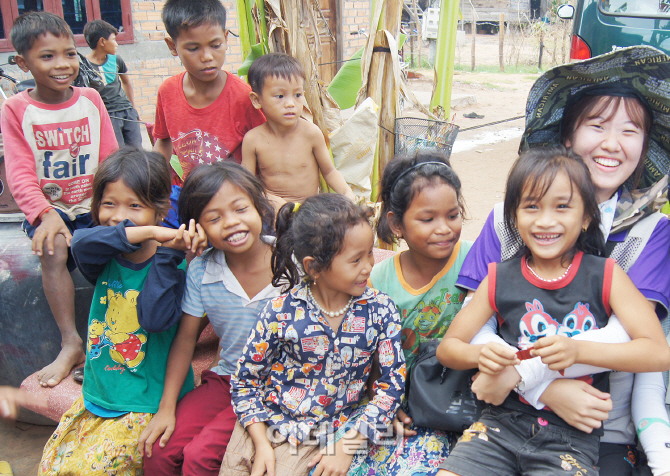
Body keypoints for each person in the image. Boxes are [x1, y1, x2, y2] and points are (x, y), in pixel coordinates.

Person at [455, 45, 670, 475]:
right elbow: (470, 323)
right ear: (568, 136)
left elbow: (625, 337)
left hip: (599, 425)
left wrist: (525, 378)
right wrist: (545, 390)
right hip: (504, 416)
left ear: (645, 145)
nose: (612, 143)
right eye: (597, 125)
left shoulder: (652, 232)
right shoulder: (506, 221)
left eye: (630, 131)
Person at [37, 147, 206, 475]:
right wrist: (154, 231)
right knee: (52, 468)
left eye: (134, 206)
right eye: (109, 203)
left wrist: (167, 254)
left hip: (145, 401)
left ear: (160, 210)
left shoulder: (172, 267)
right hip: (100, 395)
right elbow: (82, 243)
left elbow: (154, 319)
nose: (118, 216)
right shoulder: (102, 255)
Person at [220, 194, 406, 476]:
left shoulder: (381, 311)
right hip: (262, 425)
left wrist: (347, 446)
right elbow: (244, 383)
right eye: (355, 260)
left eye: (369, 253)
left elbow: (391, 385)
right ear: (313, 267)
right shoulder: (279, 312)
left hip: (324, 434)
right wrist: (261, 443)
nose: (369, 266)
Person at [329, 151, 472, 476]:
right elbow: (368, 353)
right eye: (427, 219)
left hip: (446, 400)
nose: (444, 228)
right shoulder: (379, 279)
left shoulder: (472, 262)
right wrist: (381, 405)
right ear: (396, 224)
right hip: (390, 397)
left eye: (452, 215)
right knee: (336, 459)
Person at [138, 162, 281, 475]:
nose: (230, 223)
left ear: (259, 207)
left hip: (277, 385)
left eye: (240, 209)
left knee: (200, 458)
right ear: (197, 227)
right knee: (158, 452)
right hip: (226, 379)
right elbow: (186, 340)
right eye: (214, 218)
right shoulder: (202, 271)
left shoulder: (291, 262)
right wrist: (166, 408)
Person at [2, 12, 118, 388]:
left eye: (69, 54)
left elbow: (110, 157)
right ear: (23, 62)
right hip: (52, 210)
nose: (63, 64)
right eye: (47, 56)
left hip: (96, 203)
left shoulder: (90, 99)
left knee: (120, 248)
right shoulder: (18, 109)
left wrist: (110, 206)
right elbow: (19, 172)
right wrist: (43, 214)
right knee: (52, 248)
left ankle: (115, 337)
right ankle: (71, 342)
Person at [153, 0, 266, 228]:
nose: (207, 56)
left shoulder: (244, 97)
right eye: (193, 48)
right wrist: (152, 188)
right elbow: (162, 143)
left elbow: (267, 150)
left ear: (225, 38)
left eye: (215, 45)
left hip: (236, 204)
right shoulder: (167, 92)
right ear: (172, 46)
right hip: (192, 200)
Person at [241, 53, 356, 209]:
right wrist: (269, 199)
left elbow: (329, 172)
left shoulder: (311, 133)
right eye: (280, 96)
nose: (290, 103)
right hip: (274, 212)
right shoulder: (253, 140)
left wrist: (346, 192)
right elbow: (247, 184)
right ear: (256, 100)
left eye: (297, 95)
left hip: (310, 211)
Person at [83, 19, 142, 147]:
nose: (116, 44)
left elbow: (126, 83)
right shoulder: (83, 66)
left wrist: (133, 109)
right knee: (117, 151)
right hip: (107, 115)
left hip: (126, 111)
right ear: (103, 42)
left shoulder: (116, 60)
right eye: (114, 40)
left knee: (137, 150)